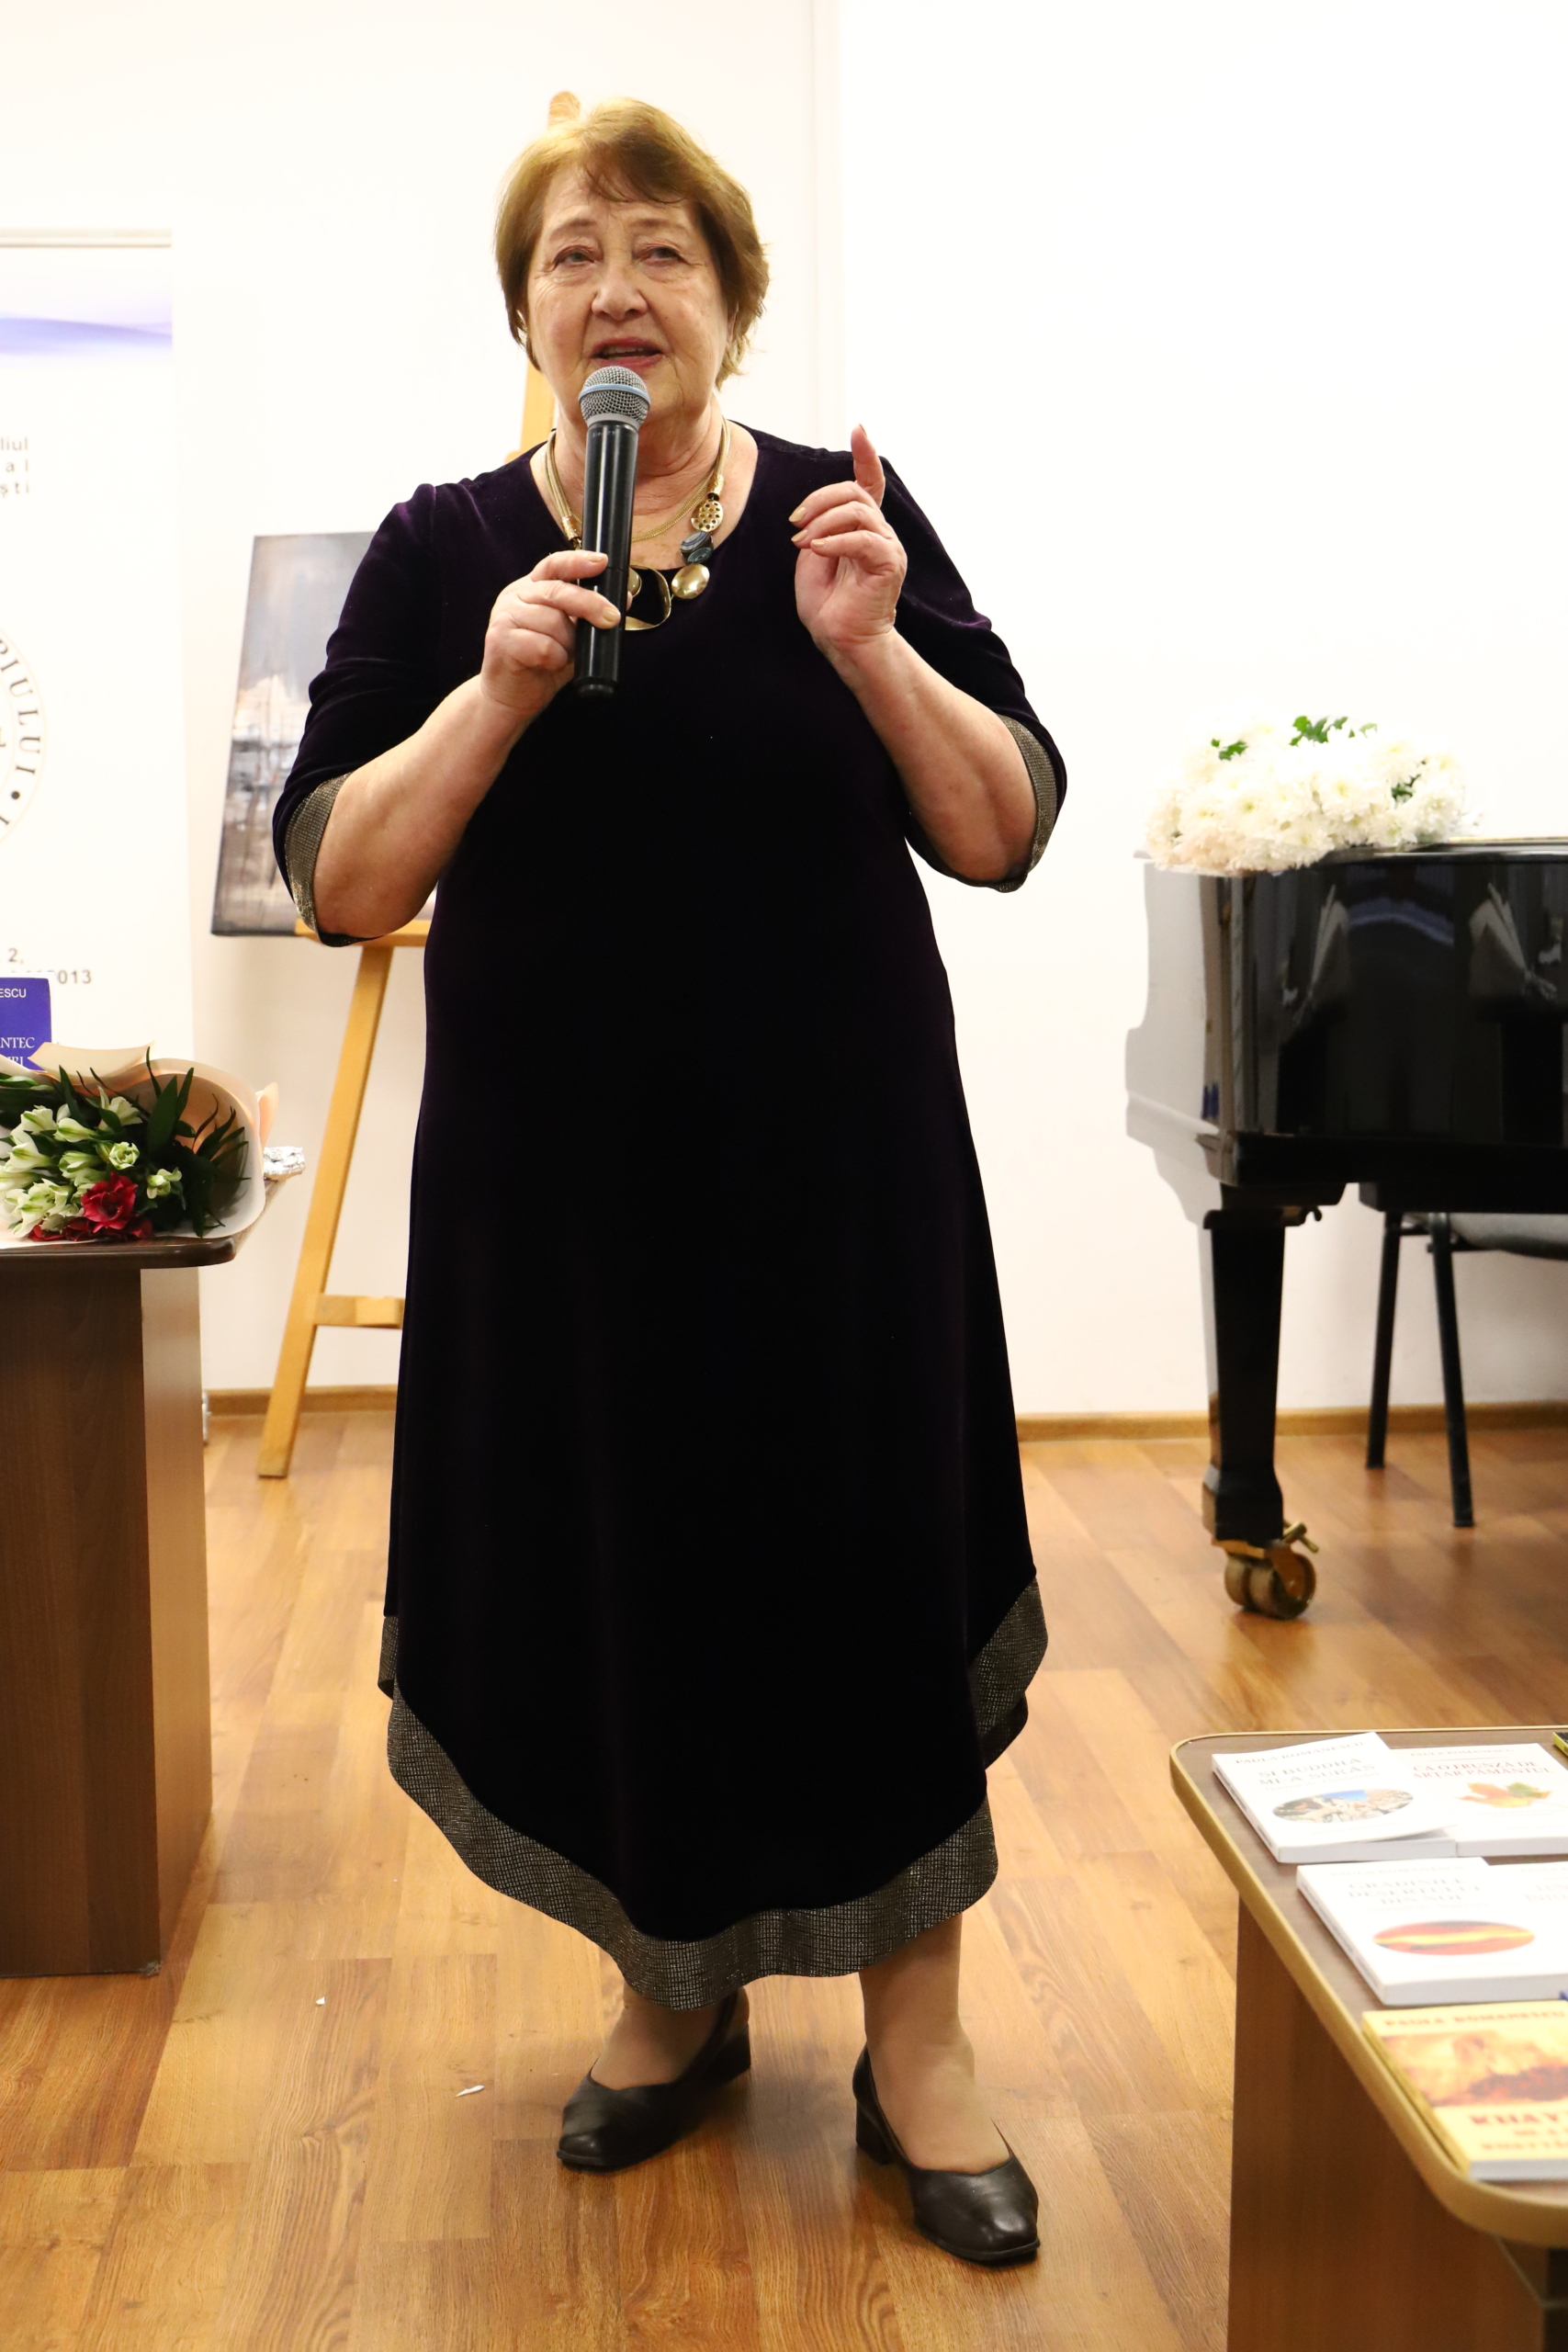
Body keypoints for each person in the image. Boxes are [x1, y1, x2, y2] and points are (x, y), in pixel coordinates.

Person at [273, 97, 1064, 2268]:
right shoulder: (442, 548)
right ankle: (668, 1995)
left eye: (660, 251)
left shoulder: (842, 518)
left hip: (838, 1185)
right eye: (572, 255)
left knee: (865, 1564)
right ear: (523, 316)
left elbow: (999, 825)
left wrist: (871, 645)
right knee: (613, 1567)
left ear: (731, 299)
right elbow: (340, 876)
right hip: (563, 1211)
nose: (616, 289)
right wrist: (494, 692)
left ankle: (920, 2045)